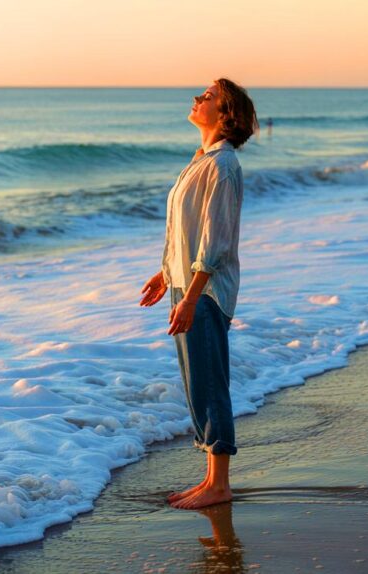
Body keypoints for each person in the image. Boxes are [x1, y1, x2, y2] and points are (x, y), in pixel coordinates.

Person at [139, 78, 257, 510]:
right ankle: (210, 478)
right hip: (186, 283)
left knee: (210, 382)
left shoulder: (222, 166)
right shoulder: (201, 161)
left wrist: (191, 296)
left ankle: (220, 485)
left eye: (208, 97)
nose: (197, 99)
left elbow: (215, 240)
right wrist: (166, 272)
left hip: (204, 291)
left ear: (225, 115)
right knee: (198, 383)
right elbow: (187, 230)